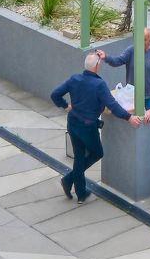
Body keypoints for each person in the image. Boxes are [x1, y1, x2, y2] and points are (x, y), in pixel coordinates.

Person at [50, 50, 138, 201]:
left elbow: (55, 94)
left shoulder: (74, 79)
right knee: (97, 153)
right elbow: (112, 105)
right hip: (87, 127)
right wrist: (129, 117)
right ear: (97, 66)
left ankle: (79, 192)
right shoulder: (99, 84)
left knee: (79, 156)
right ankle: (70, 181)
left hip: (73, 122)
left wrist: (65, 106)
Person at [102, 27, 150, 112]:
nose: (147, 42)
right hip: (133, 95)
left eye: (149, 39)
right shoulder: (131, 51)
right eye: (144, 40)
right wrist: (106, 57)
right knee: (135, 117)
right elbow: (117, 61)